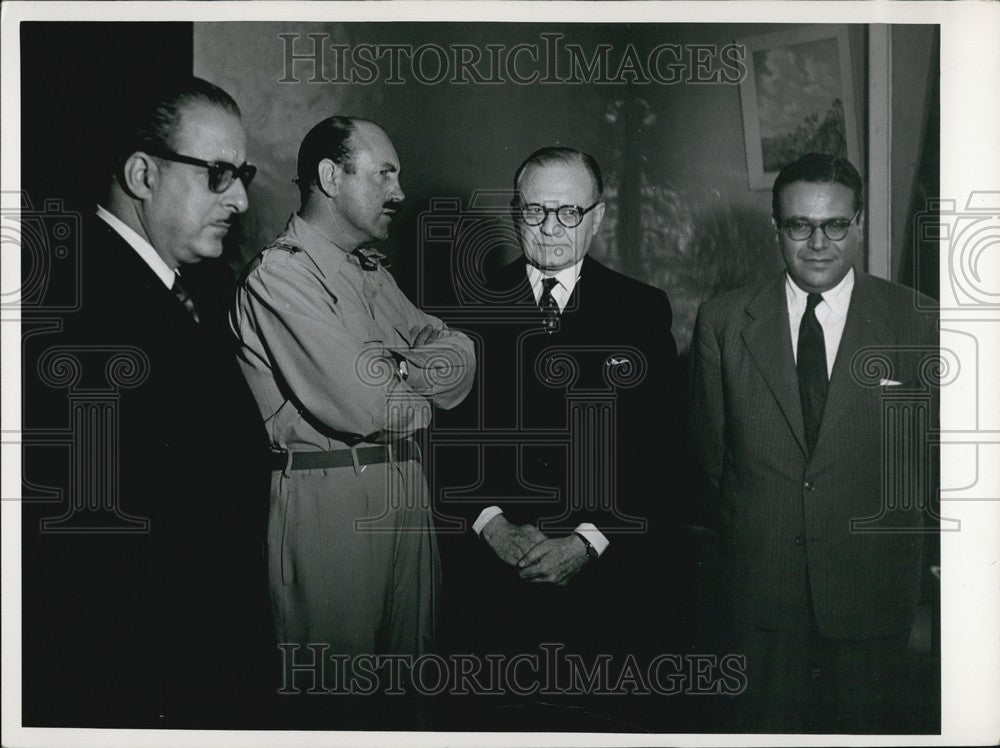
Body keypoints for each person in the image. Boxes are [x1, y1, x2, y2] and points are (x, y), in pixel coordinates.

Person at [21, 77, 274, 727]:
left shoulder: (162, 289)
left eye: (241, 174)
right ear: (142, 174)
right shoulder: (82, 314)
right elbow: (92, 574)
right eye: (219, 173)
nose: (241, 198)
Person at [690, 153, 939, 733]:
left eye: (835, 225)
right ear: (777, 227)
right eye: (800, 225)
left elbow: (932, 464)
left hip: (873, 594)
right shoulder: (725, 321)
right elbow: (705, 462)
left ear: (858, 224)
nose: (818, 242)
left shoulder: (917, 321)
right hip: (760, 598)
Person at [230, 116, 475, 690]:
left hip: (405, 494)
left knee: (409, 702)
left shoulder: (371, 274)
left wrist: (395, 370)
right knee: (338, 702)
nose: (400, 192)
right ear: (330, 177)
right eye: (384, 174)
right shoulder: (281, 276)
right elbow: (369, 407)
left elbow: (462, 359)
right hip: (331, 505)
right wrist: (414, 375)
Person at [437, 147, 684, 686]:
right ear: (515, 214)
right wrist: (492, 526)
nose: (551, 228)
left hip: (607, 587)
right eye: (535, 211)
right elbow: (441, 439)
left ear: (597, 217)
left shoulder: (641, 311)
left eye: (569, 212)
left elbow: (662, 450)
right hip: (489, 582)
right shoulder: (460, 306)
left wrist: (587, 541)